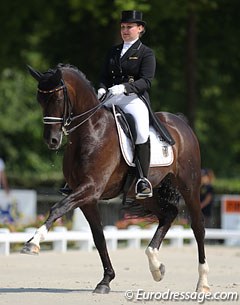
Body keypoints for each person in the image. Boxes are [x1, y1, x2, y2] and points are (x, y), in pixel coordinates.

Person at [97, 10, 156, 199]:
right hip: (110, 96)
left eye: (129, 27)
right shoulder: (113, 51)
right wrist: (101, 88)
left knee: (140, 129)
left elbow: (146, 81)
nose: (125, 30)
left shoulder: (146, 53)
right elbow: (104, 77)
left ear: (140, 29)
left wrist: (124, 87)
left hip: (133, 98)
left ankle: (142, 179)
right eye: (123, 27)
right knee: (87, 121)